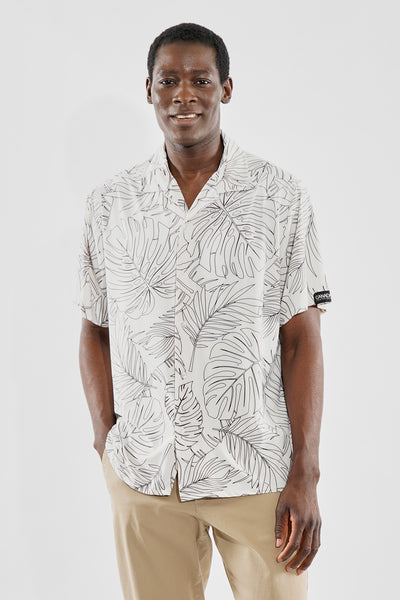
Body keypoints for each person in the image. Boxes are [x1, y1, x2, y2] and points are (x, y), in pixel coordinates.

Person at [75, 22, 332, 600]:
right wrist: (106, 440)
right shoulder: (111, 203)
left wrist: (307, 472)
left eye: (200, 79)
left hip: (256, 472)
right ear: (149, 90)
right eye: (168, 80)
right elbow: (95, 326)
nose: (183, 94)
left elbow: (302, 339)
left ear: (226, 89)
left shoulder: (281, 196)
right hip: (146, 474)